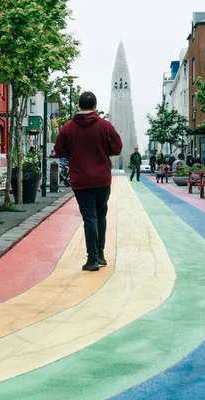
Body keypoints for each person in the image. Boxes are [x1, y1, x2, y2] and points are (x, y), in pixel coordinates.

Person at [55, 92, 122, 272]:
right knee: (101, 215)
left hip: (81, 179)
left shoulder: (68, 128)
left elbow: (59, 151)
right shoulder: (105, 126)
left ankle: (92, 259)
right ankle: (100, 255)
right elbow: (117, 148)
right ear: (95, 105)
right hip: (101, 179)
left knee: (89, 217)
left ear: (78, 105)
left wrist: (74, 152)